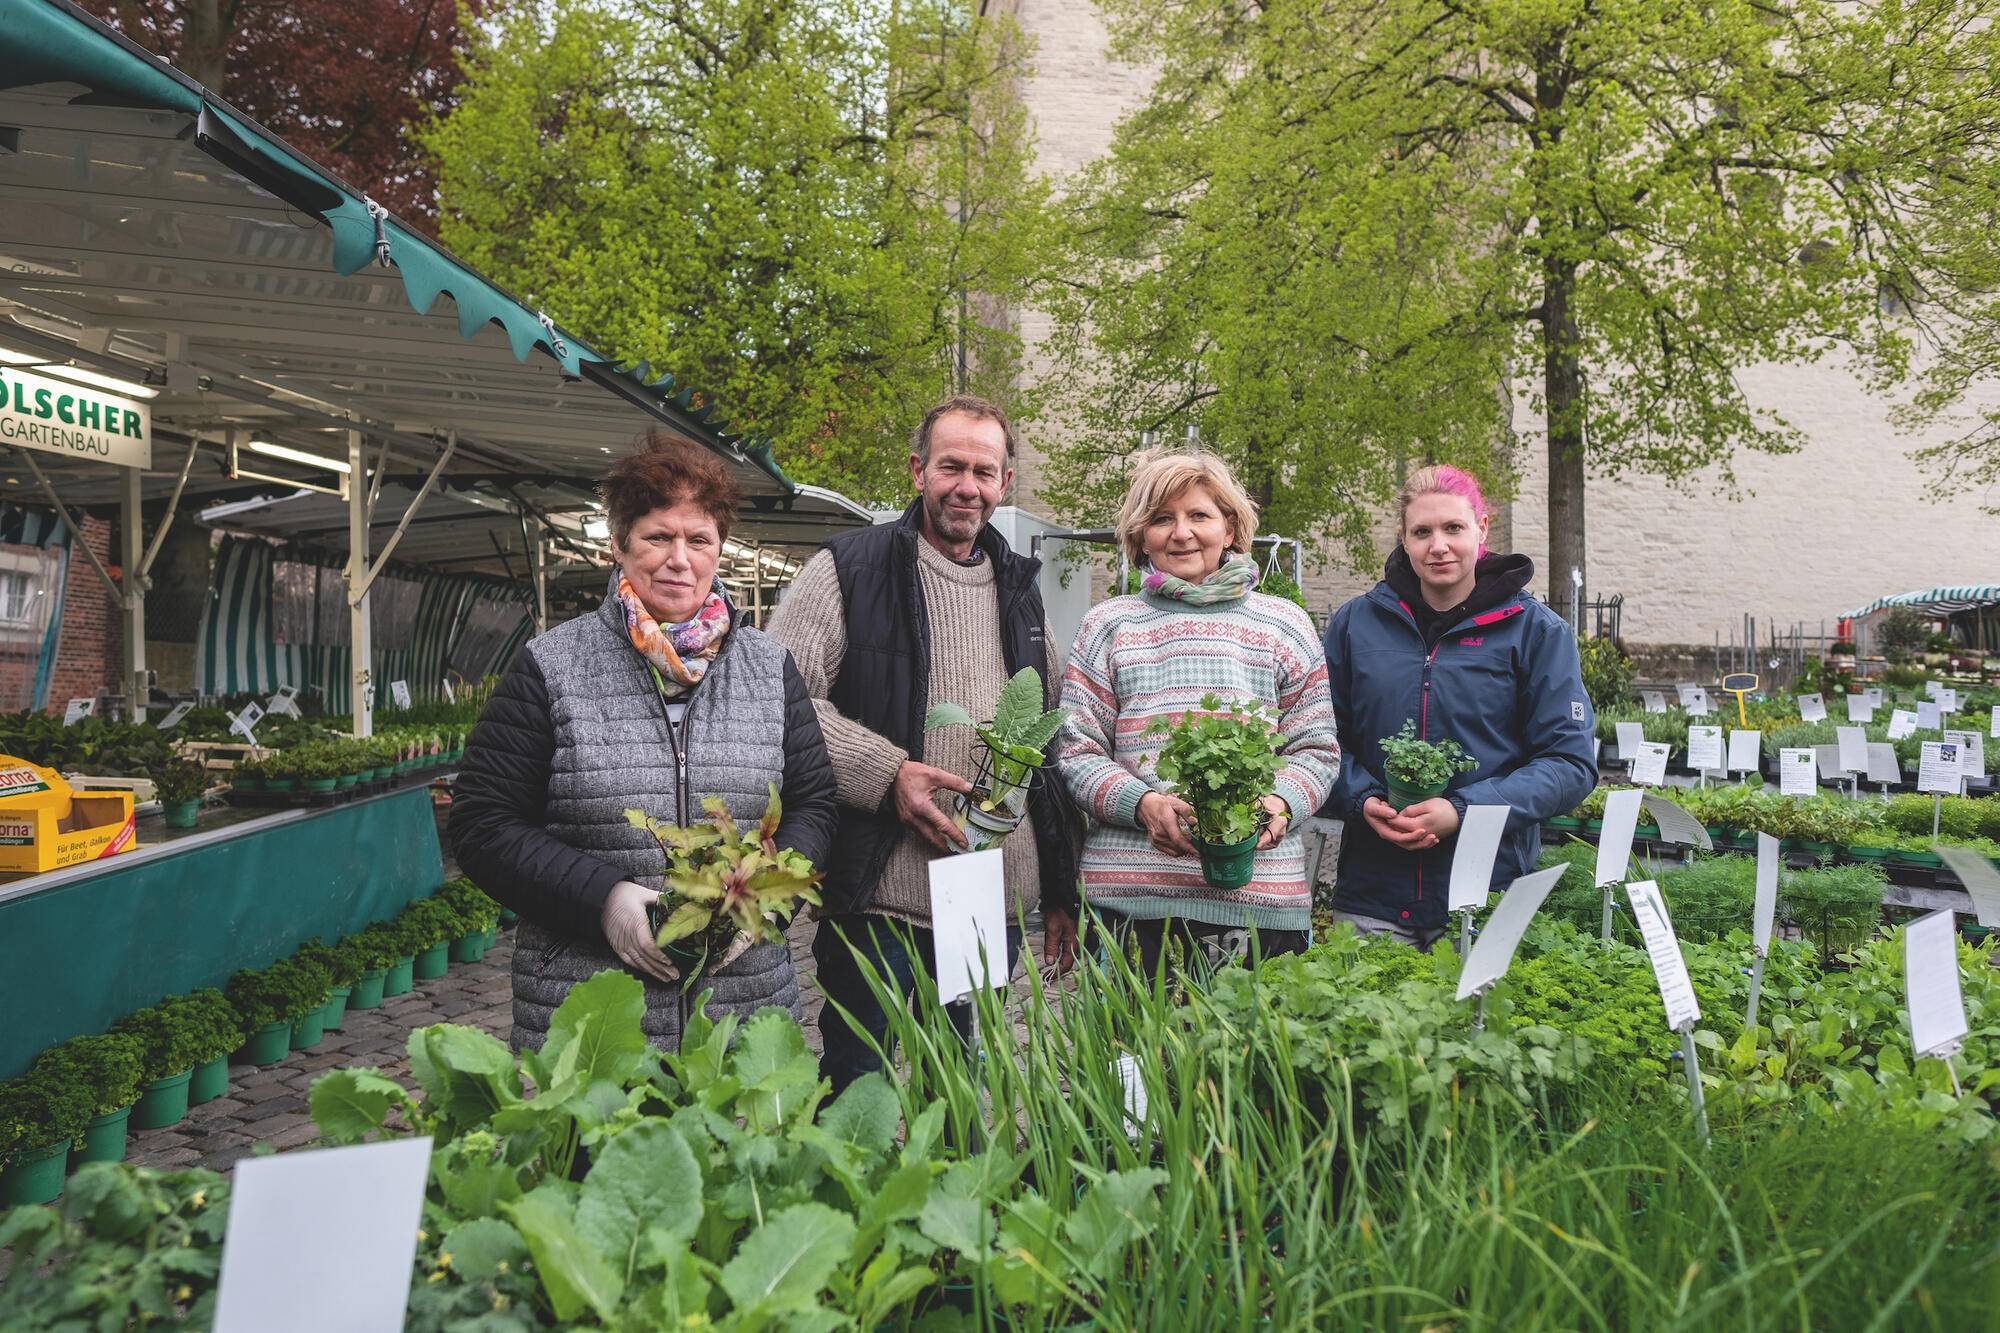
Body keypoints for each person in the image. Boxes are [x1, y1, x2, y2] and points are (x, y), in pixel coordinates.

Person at [450, 431, 837, 1051]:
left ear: (720, 551)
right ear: (619, 546)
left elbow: (815, 805)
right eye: (658, 536)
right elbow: (483, 823)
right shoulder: (551, 666)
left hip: (741, 1004)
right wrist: (602, 899)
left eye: (699, 539)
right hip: (594, 1010)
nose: (678, 558)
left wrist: (766, 897)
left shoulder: (770, 667)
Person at [769, 394, 1076, 1094]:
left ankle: (955, 1201)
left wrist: (1060, 887)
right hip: (879, 889)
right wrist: (888, 774)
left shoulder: (1021, 593)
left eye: (984, 470)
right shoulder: (849, 568)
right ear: (917, 470)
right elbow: (781, 701)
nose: (967, 485)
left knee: (960, 1082)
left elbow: (1047, 749)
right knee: (859, 1082)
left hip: (979, 895)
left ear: (1003, 483)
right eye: (951, 466)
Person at [1050, 449, 1340, 975]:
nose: (1181, 533)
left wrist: (1277, 806)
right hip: (1131, 903)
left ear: (1229, 529)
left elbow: (1316, 750)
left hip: (1261, 904)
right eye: (1162, 518)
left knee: (1250, 1058)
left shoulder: (1285, 624)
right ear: (1140, 537)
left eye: (1199, 516)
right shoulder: (1109, 625)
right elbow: (1075, 751)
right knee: (1129, 1057)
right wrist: (1144, 805)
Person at [1320, 465, 1595, 949]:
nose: (1438, 546)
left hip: (1485, 893)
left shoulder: (1536, 632)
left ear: (1482, 530)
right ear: (1404, 540)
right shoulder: (1355, 625)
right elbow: (1319, 743)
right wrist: (1364, 801)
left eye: (1453, 528)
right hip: (1372, 896)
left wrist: (1462, 810)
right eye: (1421, 532)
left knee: (1477, 1025)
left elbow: (1569, 763)